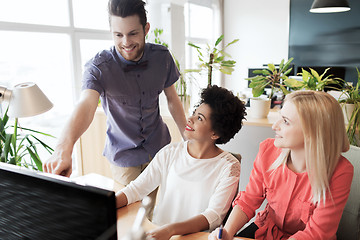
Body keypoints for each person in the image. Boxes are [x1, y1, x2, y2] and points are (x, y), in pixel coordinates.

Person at [43, 0, 187, 185]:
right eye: (118, 35)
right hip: (124, 156)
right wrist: (63, 148)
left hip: (159, 148)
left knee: (150, 209)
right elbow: (86, 104)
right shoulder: (99, 67)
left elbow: (172, 99)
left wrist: (188, 137)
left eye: (133, 33)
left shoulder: (162, 57)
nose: (126, 42)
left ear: (146, 28)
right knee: (130, 212)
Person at [208, 90, 354, 240]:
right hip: (266, 230)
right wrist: (227, 232)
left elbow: (319, 232)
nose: (274, 126)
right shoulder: (267, 150)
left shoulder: (341, 171)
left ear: (312, 132)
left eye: (285, 121)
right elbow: (248, 200)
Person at [116, 85, 247, 240]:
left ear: (215, 133)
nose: (190, 119)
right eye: (194, 113)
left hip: (194, 237)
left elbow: (214, 216)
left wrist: (171, 230)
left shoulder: (229, 166)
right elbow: (136, 190)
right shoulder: (170, 152)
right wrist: (103, 205)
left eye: (200, 118)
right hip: (157, 233)